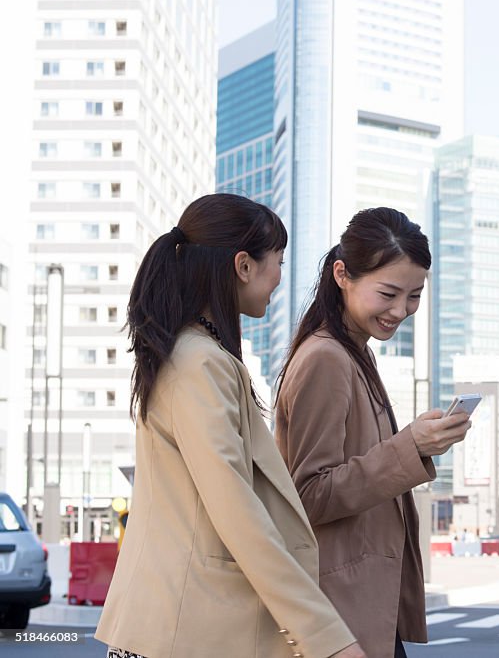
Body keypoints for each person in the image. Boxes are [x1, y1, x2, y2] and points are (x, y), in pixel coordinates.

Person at [96, 194, 365, 658]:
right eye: (277, 262)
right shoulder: (200, 362)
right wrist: (327, 638)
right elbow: (237, 511)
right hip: (186, 633)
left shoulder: (188, 353)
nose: (280, 279)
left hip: (177, 626)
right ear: (243, 265)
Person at [276, 207, 471, 658]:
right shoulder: (326, 358)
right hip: (339, 608)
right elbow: (307, 494)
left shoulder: (353, 354)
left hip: (357, 602)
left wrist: (413, 444)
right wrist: (411, 447)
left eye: (415, 296)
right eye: (388, 293)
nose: (401, 311)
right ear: (341, 274)